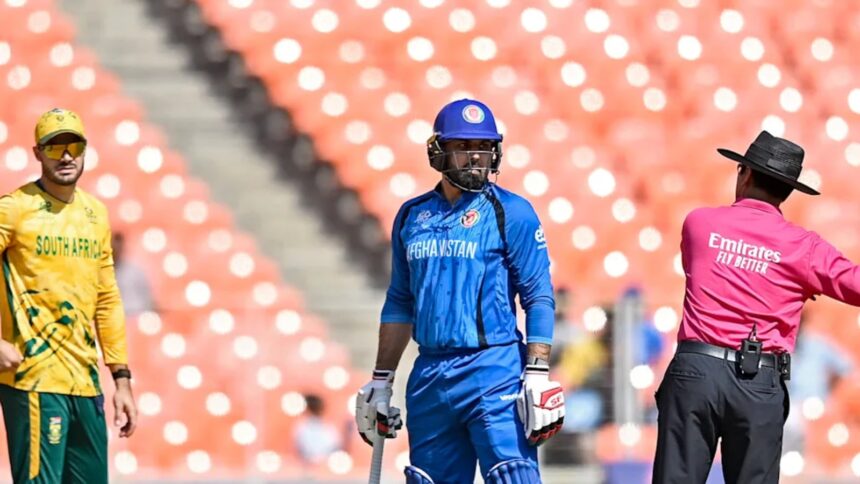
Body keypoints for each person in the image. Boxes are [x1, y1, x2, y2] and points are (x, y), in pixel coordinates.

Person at [354, 99, 565, 484]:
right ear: (439, 151)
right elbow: (401, 301)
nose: (476, 158)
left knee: (512, 477)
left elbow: (538, 295)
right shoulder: (412, 215)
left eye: (484, 148)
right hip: (431, 375)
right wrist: (381, 380)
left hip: (494, 369)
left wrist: (537, 372)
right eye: (464, 147)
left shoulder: (511, 212)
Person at [652, 130, 860, 484]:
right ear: (789, 190)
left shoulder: (699, 223)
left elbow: (702, 269)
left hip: (696, 370)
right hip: (758, 378)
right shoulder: (804, 247)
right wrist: (796, 283)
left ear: (743, 173)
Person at [0, 108, 137, 483]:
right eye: (54, 146)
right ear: (37, 153)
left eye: (73, 146)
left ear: (84, 151)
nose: (65, 156)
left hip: (85, 382)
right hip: (34, 378)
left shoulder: (95, 214)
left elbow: (106, 298)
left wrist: (121, 378)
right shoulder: (14, 209)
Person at [111, 232, 155, 316]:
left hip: (135, 316)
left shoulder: (135, 271)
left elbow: (148, 299)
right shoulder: (100, 272)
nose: (116, 249)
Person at [294, 394, 342, 465]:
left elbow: (336, 447)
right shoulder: (301, 427)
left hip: (325, 466)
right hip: (309, 465)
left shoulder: (329, 427)